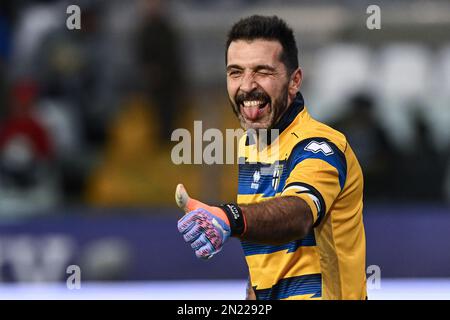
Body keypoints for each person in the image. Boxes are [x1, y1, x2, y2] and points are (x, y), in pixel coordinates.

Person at [175, 15, 366, 300]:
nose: (247, 86)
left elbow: (298, 214)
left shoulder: (320, 145)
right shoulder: (249, 146)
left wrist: (230, 217)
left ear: (294, 81)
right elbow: (264, 270)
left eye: (262, 71)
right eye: (235, 72)